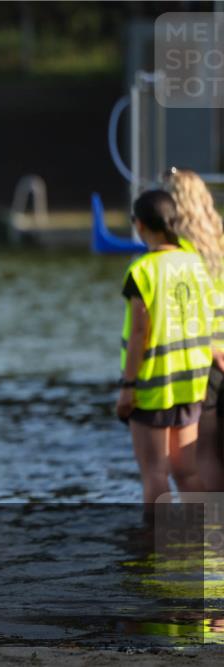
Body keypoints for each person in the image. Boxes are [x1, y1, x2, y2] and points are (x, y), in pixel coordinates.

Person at [116, 189, 213, 509]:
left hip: (154, 385)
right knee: (186, 471)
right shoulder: (196, 262)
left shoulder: (142, 272)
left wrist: (128, 387)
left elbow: (140, 334)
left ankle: (157, 551)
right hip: (192, 383)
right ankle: (209, 541)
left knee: (154, 472)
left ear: (140, 225)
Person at [163, 167, 224, 492]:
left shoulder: (179, 253)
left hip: (204, 360)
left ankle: (213, 537)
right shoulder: (221, 241)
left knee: (204, 454)